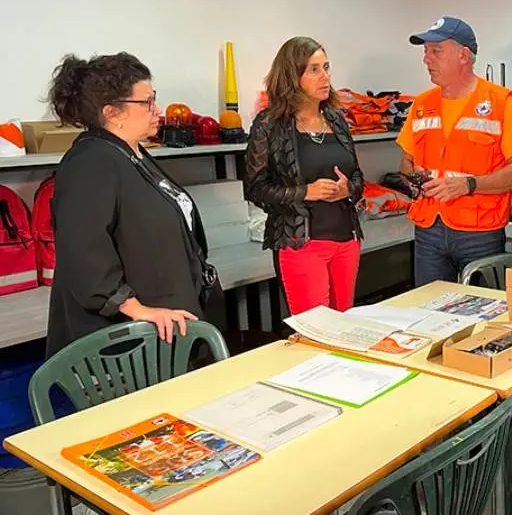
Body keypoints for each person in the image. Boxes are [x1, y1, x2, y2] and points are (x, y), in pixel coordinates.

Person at [46, 52, 218, 357]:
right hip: (128, 341)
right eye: (147, 102)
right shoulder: (90, 162)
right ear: (113, 112)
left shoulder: (132, 154)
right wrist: (135, 309)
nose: (158, 110)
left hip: (170, 321)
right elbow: (83, 252)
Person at [396, 16, 512, 286]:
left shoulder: (502, 104)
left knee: (485, 315)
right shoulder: (421, 105)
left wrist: (468, 184)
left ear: (464, 55)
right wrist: (414, 178)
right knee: (429, 313)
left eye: (436, 51)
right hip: (429, 230)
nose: (426, 59)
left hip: (479, 232)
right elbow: (405, 164)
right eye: (425, 52)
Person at [244, 37, 364, 315]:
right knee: (317, 332)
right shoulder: (269, 125)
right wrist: (305, 192)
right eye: (313, 69)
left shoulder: (337, 120)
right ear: (291, 75)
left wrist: (349, 189)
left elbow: (357, 175)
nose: (325, 76)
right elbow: (255, 188)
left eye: (326, 67)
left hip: (346, 239)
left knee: (344, 325)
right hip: (301, 244)